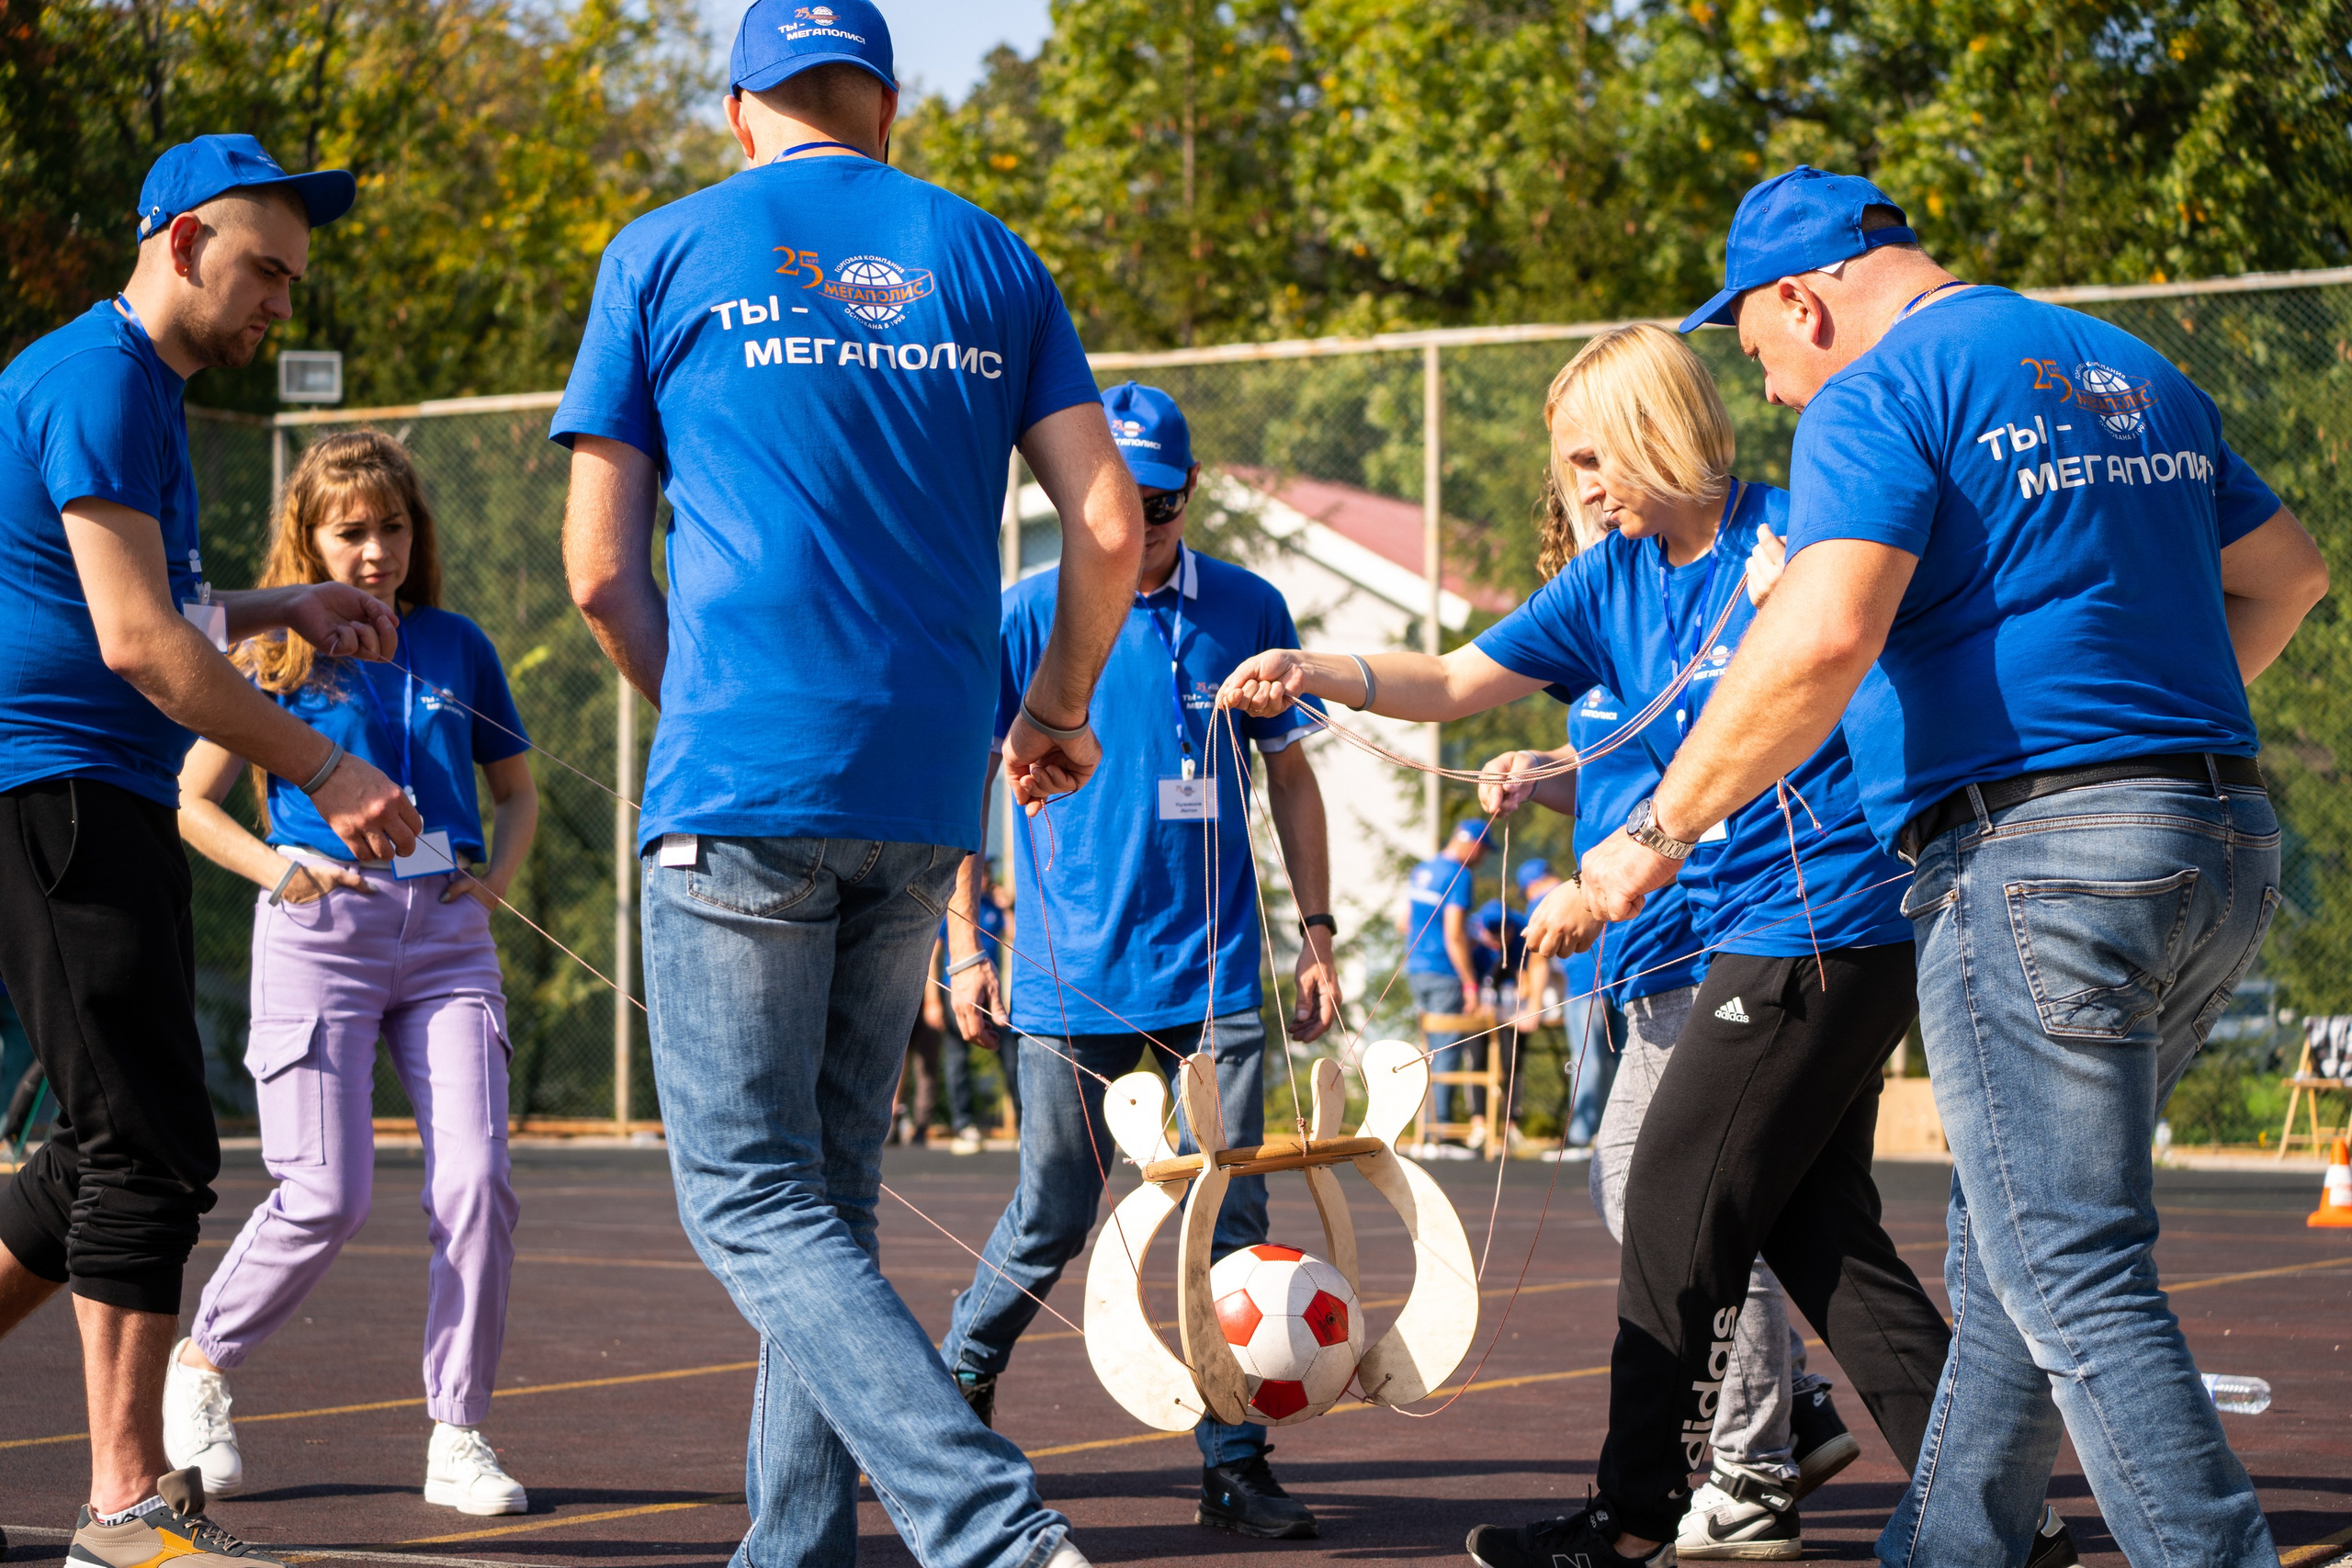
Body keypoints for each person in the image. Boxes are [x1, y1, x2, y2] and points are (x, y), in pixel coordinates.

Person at [1582, 166, 2325, 1568]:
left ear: (1800, 301)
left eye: (1762, 357)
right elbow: (2290, 575)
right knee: (2012, 1236)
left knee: (2067, 1260)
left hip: (2035, 854)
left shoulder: (1881, 391)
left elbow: (1818, 640)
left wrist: (1653, 832)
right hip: (2215, 836)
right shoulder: (2126, 364)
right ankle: (1947, 1545)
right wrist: (2137, 721)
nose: (1783, 397)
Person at [1219, 322, 1962, 1568]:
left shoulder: (1799, 534)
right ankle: (1996, 1500)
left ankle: (1635, 1516)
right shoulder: (1612, 576)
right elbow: (1455, 678)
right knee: (1817, 1231)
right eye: (1574, 466)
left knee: (1668, 1187)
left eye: (1591, 457)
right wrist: (1317, 668)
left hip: (1821, 915)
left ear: (1655, 431)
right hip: (1747, 926)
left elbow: (1878, 668)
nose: (1584, 487)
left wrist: (1624, 866)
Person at [552, 6, 1143, 1565]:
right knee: (828, 1191)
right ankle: (795, 1546)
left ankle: (992, 1527)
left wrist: (723, 725)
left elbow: (601, 573)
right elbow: (1106, 523)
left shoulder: (663, 248)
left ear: (739, 105)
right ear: (882, 102)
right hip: (926, 786)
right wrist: (1059, 703)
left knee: (751, 1198)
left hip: (742, 782)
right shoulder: (991, 257)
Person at [0, 134, 419, 1568]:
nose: (281, 308)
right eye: (264, 272)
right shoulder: (97, 378)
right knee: (147, 1148)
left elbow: (154, 598)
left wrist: (279, 596)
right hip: (52, 785)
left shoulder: (140, 396)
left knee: (103, 1152)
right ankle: (124, 1509)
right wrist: (327, 763)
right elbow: (134, 641)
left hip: (88, 789)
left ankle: (126, 1504)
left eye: (291, 282)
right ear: (181, 242)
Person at [938, 380, 1341, 1540]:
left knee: (1232, 1218)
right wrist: (966, 945)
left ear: (1189, 492)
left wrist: (1315, 934)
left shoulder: (1249, 607)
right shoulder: (1026, 613)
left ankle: (1234, 1457)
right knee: (1055, 1211)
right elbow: (971, 780)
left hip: (1215, 979)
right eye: (1126, 498)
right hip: (1068, 977)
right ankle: (965, 1366)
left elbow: (1293, 777)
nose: (1145, 519)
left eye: (1163, 501)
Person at [162, 432, 538, 1515]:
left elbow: (515, 792)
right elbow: (190, 801)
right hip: (319, 931)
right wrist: (280, 872)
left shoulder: (458, 644)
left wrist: (495, 884)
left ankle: (458, 1434)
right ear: (309, 537)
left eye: (394, 528)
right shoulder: (270, 654)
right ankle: (203, 1368)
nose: (375, 551)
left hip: (447, 940)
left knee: (477, 1185)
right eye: (351, 531)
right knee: (325, 1193)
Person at [1404, 820, 1489, 1146]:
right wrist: (1470, 983)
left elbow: (1405, 921)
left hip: (1416, 969)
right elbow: (1454, 934)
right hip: (1444, 972)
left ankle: (1427, 1131)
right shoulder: (1461, 874)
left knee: (1427, 1051)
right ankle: (1441, 1133)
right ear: (1474, 844)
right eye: (1484, 850)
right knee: (1446, 1053)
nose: (1482, 859)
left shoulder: (1423, 869)